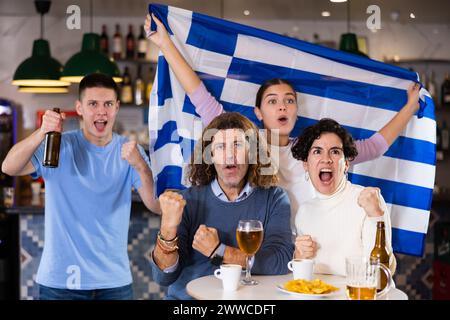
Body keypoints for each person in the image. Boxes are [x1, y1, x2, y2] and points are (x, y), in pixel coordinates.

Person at [144, 14, 421, 228]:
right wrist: (165, 43)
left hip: (310, 247)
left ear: (297, 111)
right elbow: (198, 95)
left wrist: (410, 107)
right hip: (258, 246)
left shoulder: (316, 151)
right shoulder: (242, 142)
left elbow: (373, 147)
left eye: (289, 100)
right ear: (259, 113)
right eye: (273, 101)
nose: (283, 106)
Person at [1, 73, 159, 300]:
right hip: (60, 284)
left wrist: (142, 166)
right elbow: (8, 167)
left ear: (117, 107)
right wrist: (42, 132)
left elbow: (156, 206)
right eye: (93, 104)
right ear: (80, 108)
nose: (101, 111)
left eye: (108, 104)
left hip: (114, 284)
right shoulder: (58, 146)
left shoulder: (130, 151)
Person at [150, 112, 293, 300]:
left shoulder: (274, 198)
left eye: (238, 145)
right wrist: (168, 227)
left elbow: (280, 261)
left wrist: (218, 250)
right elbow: (163, 277)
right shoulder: (187, 201)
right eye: (221, 146)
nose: (230, 155)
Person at [290, 118, 396, 276]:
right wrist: (298, 257)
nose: (326, 159)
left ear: (346, 163)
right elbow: (303, 276)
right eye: (317, 151)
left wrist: (376, 216)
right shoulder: (304, 212)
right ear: (306, 164)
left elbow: (385, 271)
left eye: (335, 152)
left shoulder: (367, 201)